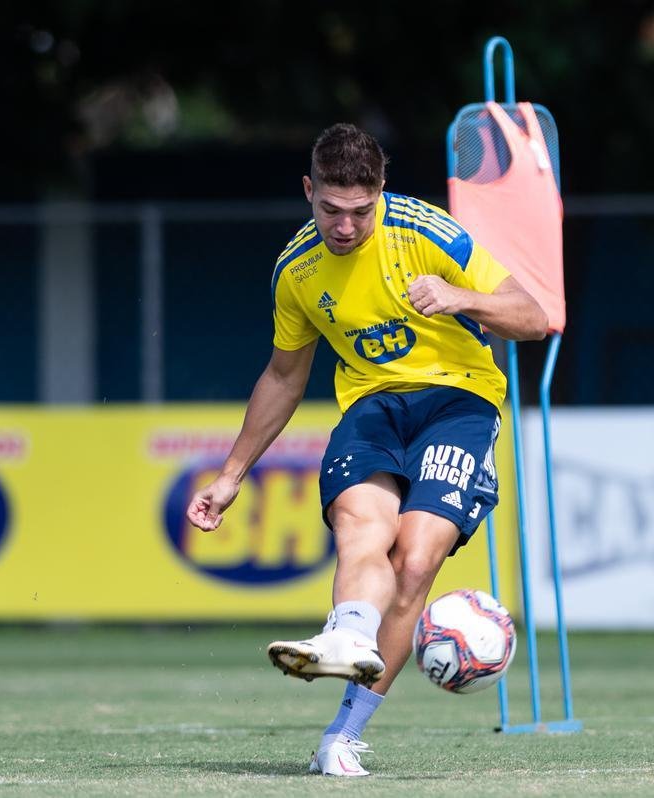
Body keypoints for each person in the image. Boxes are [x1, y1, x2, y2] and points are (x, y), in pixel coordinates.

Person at [185, 122, 547, 777]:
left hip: (458, 402)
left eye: (360, 211)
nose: (345, 226)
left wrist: (460, 297)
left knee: (415, 559)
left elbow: (532, 315)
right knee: (362, 527)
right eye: (330, 210)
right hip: (372, 407)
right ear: (308, 191)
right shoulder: (296, 270)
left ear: (381, 192)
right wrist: (232, 474)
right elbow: (284, 376)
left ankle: (343, 736)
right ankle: (349, 633)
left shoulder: (426, 232)